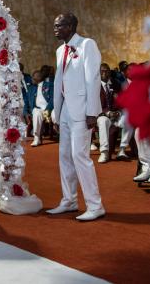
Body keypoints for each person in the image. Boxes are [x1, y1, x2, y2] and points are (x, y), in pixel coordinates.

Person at [47, 12, 105, 221]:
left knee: (81, 157)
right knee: (64, 157)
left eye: (59, 25)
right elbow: (58, 83)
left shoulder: (87, 45)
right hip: (64, 110)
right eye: (55, 25)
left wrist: (92, 112)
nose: (55, 29)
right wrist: (56, 111)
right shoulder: (60, 50)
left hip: (82, 110)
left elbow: (93, 79)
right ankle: (69, 200)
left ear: (70, 26)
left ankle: (95, 205)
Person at [24, 70, 54, 147]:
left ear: (38, 78)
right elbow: (26, 101)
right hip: (38, 109)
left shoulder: (49, 85)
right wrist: (26, 112)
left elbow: (53, 99)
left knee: (55, 116)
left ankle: (59, 133)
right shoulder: (31, 88)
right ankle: (37, 138)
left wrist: (48, 111)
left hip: (49, 109)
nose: (31, 79)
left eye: (33, 78)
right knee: (36, 113)